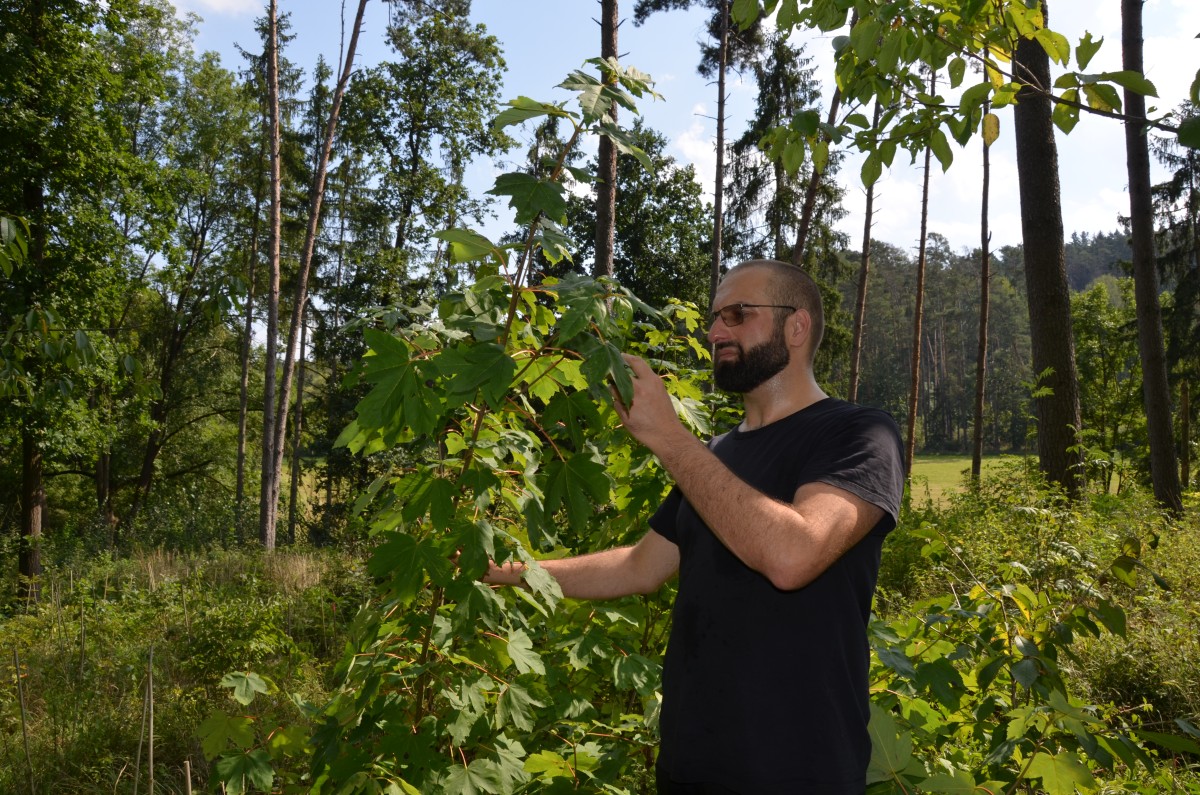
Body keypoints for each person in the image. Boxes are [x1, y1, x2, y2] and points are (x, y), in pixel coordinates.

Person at [485, 259, 905, 793]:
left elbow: (794, 555)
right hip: (690, 766)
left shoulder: (860, 433)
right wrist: (508, 572)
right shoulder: (716, 455)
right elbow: (639, 566)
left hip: (798, 769)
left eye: (737, 314)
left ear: (796, 327)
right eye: (713, 318)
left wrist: (668, 438)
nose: (715, 332)